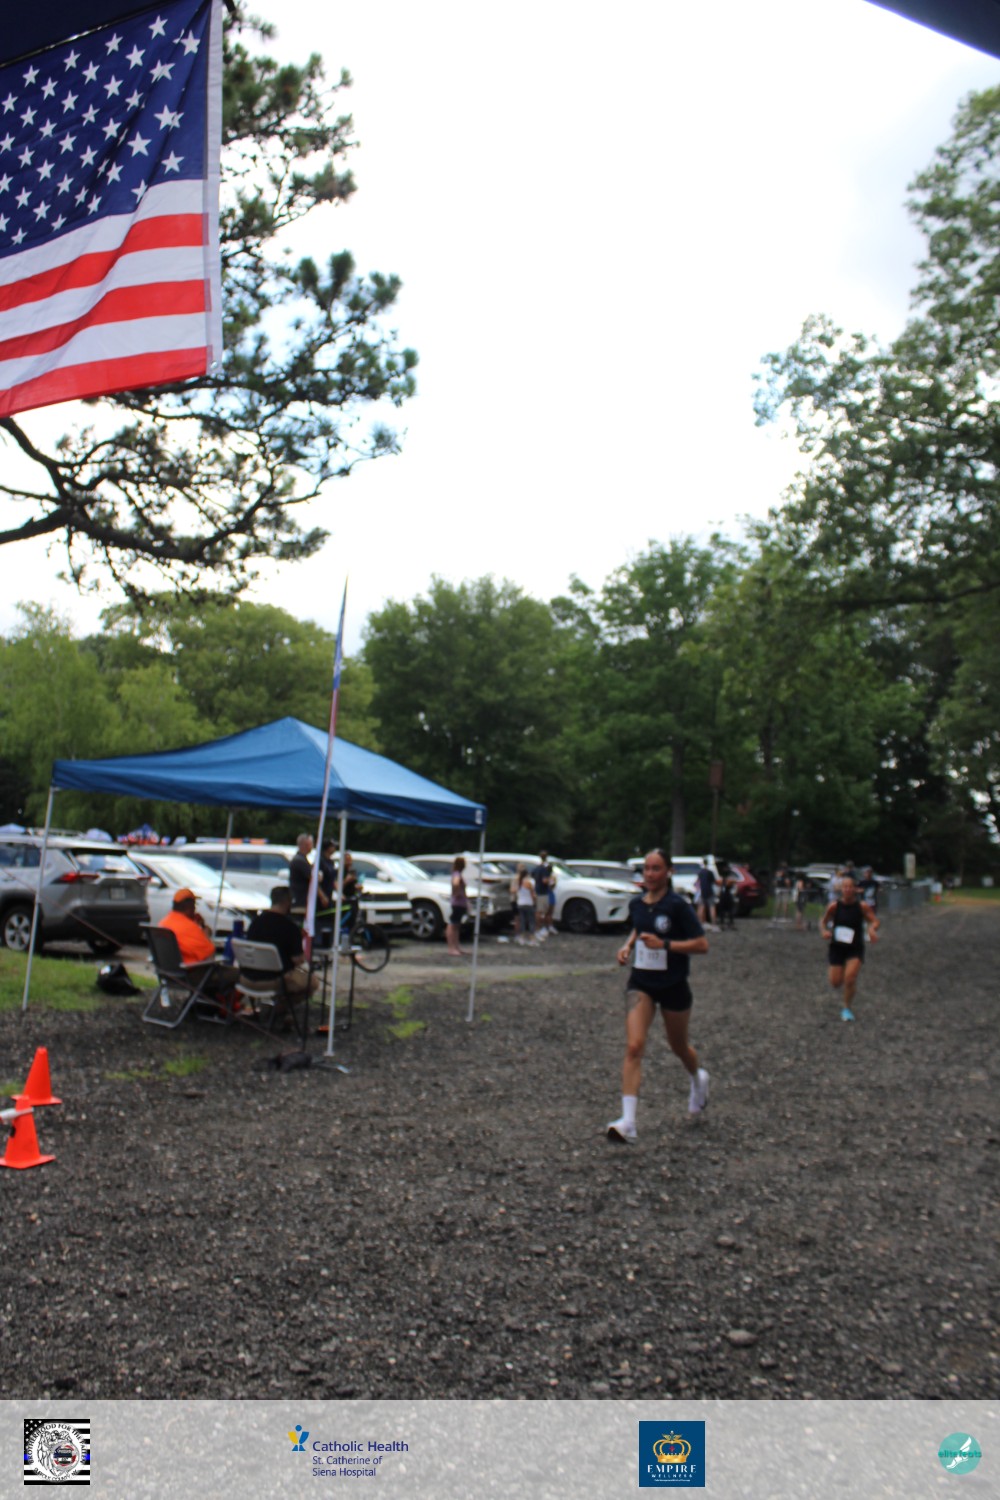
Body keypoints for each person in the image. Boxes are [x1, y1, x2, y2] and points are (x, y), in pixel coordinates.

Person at [607, 849, 710, 1142]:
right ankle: (628, 1122)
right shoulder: (636, 904)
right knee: (634, 1046)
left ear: (668, 872)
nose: (650, 874)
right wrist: (627, 947)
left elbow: (702, 945)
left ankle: (698, 1078)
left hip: (674, 985)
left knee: (679, 1046)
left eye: (656, 869)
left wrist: (665, 945)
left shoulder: (678, 906)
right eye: (647, 869)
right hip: (641, 983)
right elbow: (640, 928)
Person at [247, 885, 320, 1022]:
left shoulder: (255, 922)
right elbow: (298, 960)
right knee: (312, 982)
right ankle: (280, 1008)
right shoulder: (290, 928)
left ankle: (274, 1009)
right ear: (288, 902)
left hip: (248, 977)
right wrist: (298, 941)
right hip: (275, 979)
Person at [819, 873, 879, 1021]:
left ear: (855, 889)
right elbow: (823, 921)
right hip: (837, 947)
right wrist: (824, 931)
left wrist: (872, 929)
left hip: (855, 947)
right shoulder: (834, 906)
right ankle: (841, 973)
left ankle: (846, 1008)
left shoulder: (861, 906)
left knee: (850, 978)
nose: (847, 889)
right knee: (835, 983)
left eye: (850, 887)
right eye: (845, 887)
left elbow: (874, 921)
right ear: (841, 889)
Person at [158, 888, 238, 997]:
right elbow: (210, 957)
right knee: (239, 975)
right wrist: (204, 931)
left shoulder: (164, 923)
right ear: (189, 907)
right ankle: (225, 1004)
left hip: (167, 974)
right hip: (190, 975)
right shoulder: (190, 927)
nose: (195, 909)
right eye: (194, 905)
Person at [446, 856, 469, 957]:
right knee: (453, 924)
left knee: (457, 925)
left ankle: (456, 947)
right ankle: (452, 948)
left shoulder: (457, 874)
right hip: (457, 903)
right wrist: (457, 893)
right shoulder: (457, 874)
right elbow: (456, 883)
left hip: (460, 903)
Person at [532, 852, 555, 939]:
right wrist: (550, 881)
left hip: (537, 890)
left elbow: (533, 875)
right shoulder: (545, 868)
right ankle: (538, 929)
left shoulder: (537, 868)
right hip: (543, 892)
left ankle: (539, 928)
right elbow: (545, 880)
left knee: (539, 911)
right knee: (540, 912)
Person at [513, 864, 537, 946]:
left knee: (522, 921)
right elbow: (532, 894)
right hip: (528, 903)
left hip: (520, 903)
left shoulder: (518, 882)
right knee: (531, 921)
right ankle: (532, 938)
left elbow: (514, 891)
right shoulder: (529, 883)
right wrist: (534, 901)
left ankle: (522, 937)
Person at [288, 832, 314, 908]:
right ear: (305, 845)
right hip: (300, 899)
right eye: (311, 844)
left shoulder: (302, 859)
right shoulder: (299, 861)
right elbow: (312, 878)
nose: (312, 846)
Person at [696, 860, 718, 930]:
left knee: (701, 907)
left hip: (702, 892)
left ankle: (700, 923)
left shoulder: (700, 872)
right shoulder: (710, 872)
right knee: (712, 907)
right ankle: (714, 924)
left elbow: (697, 882)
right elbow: (714, 882)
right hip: (710, 892)